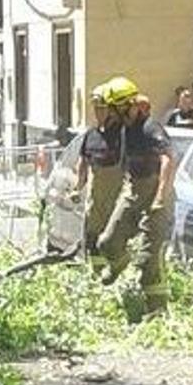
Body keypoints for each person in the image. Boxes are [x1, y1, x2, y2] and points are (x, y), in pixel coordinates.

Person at [95, 77, 176, 315]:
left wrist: (160, 197)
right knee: (106, 242)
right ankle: (119, 262)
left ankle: (157, 311)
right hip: (133, 190)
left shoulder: (151, 128)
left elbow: (169, 159)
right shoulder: (123, 129)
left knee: (148, 260)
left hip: (155, 194)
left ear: (126, 106)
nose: (111, 114)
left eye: (113, 109)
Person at [76, 83, 123, 259]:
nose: (97, 112)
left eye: (102, 108)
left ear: (112, 110)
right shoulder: (91, 136)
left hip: (117, 204)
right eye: (95, 108)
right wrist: (77, 187)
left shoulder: (123, 135)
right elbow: (82, 163)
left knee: (114, 244)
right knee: (93, 243)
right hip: (95, 204)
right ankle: (95, 275)